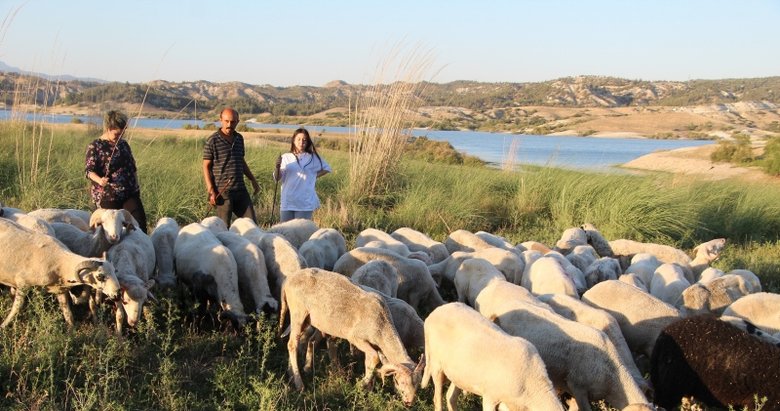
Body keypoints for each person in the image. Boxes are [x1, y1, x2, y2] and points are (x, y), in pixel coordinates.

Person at [85, 110, 148, 233]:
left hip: (130, 192)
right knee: (111, 231)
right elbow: (89, 171)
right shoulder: (95, 146)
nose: (119, 137)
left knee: (139, 227)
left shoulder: (123, 144)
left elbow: (132, 166)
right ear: (108, 128)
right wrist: (100, 180)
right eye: (116, 134)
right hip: (108, 195)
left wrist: (136, 185)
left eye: (122, 133)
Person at [202, 107, 261, 226]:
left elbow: (241, 161)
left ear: (238, 121)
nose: (229, 124)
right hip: (222, 192)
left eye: (233, 122)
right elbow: (206, 166)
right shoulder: (212, 141)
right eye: (226, 121)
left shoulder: (239, 138)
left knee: (252, 225)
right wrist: (211, 190)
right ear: (220, 120)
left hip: (241, 189)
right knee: (224, 229)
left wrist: (253, 180)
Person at [274, 127, 331, 222]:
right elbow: (277, 178)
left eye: (304, 140)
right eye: (299, 139)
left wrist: (313, 176)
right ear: (293, 140)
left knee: (301, 234)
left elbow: (327, 168)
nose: (301, 142)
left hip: (304, 204)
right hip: (287, 202)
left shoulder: (313, 158)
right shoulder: (285, 157)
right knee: (284, 233)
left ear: (308, 142)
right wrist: (277, 167)